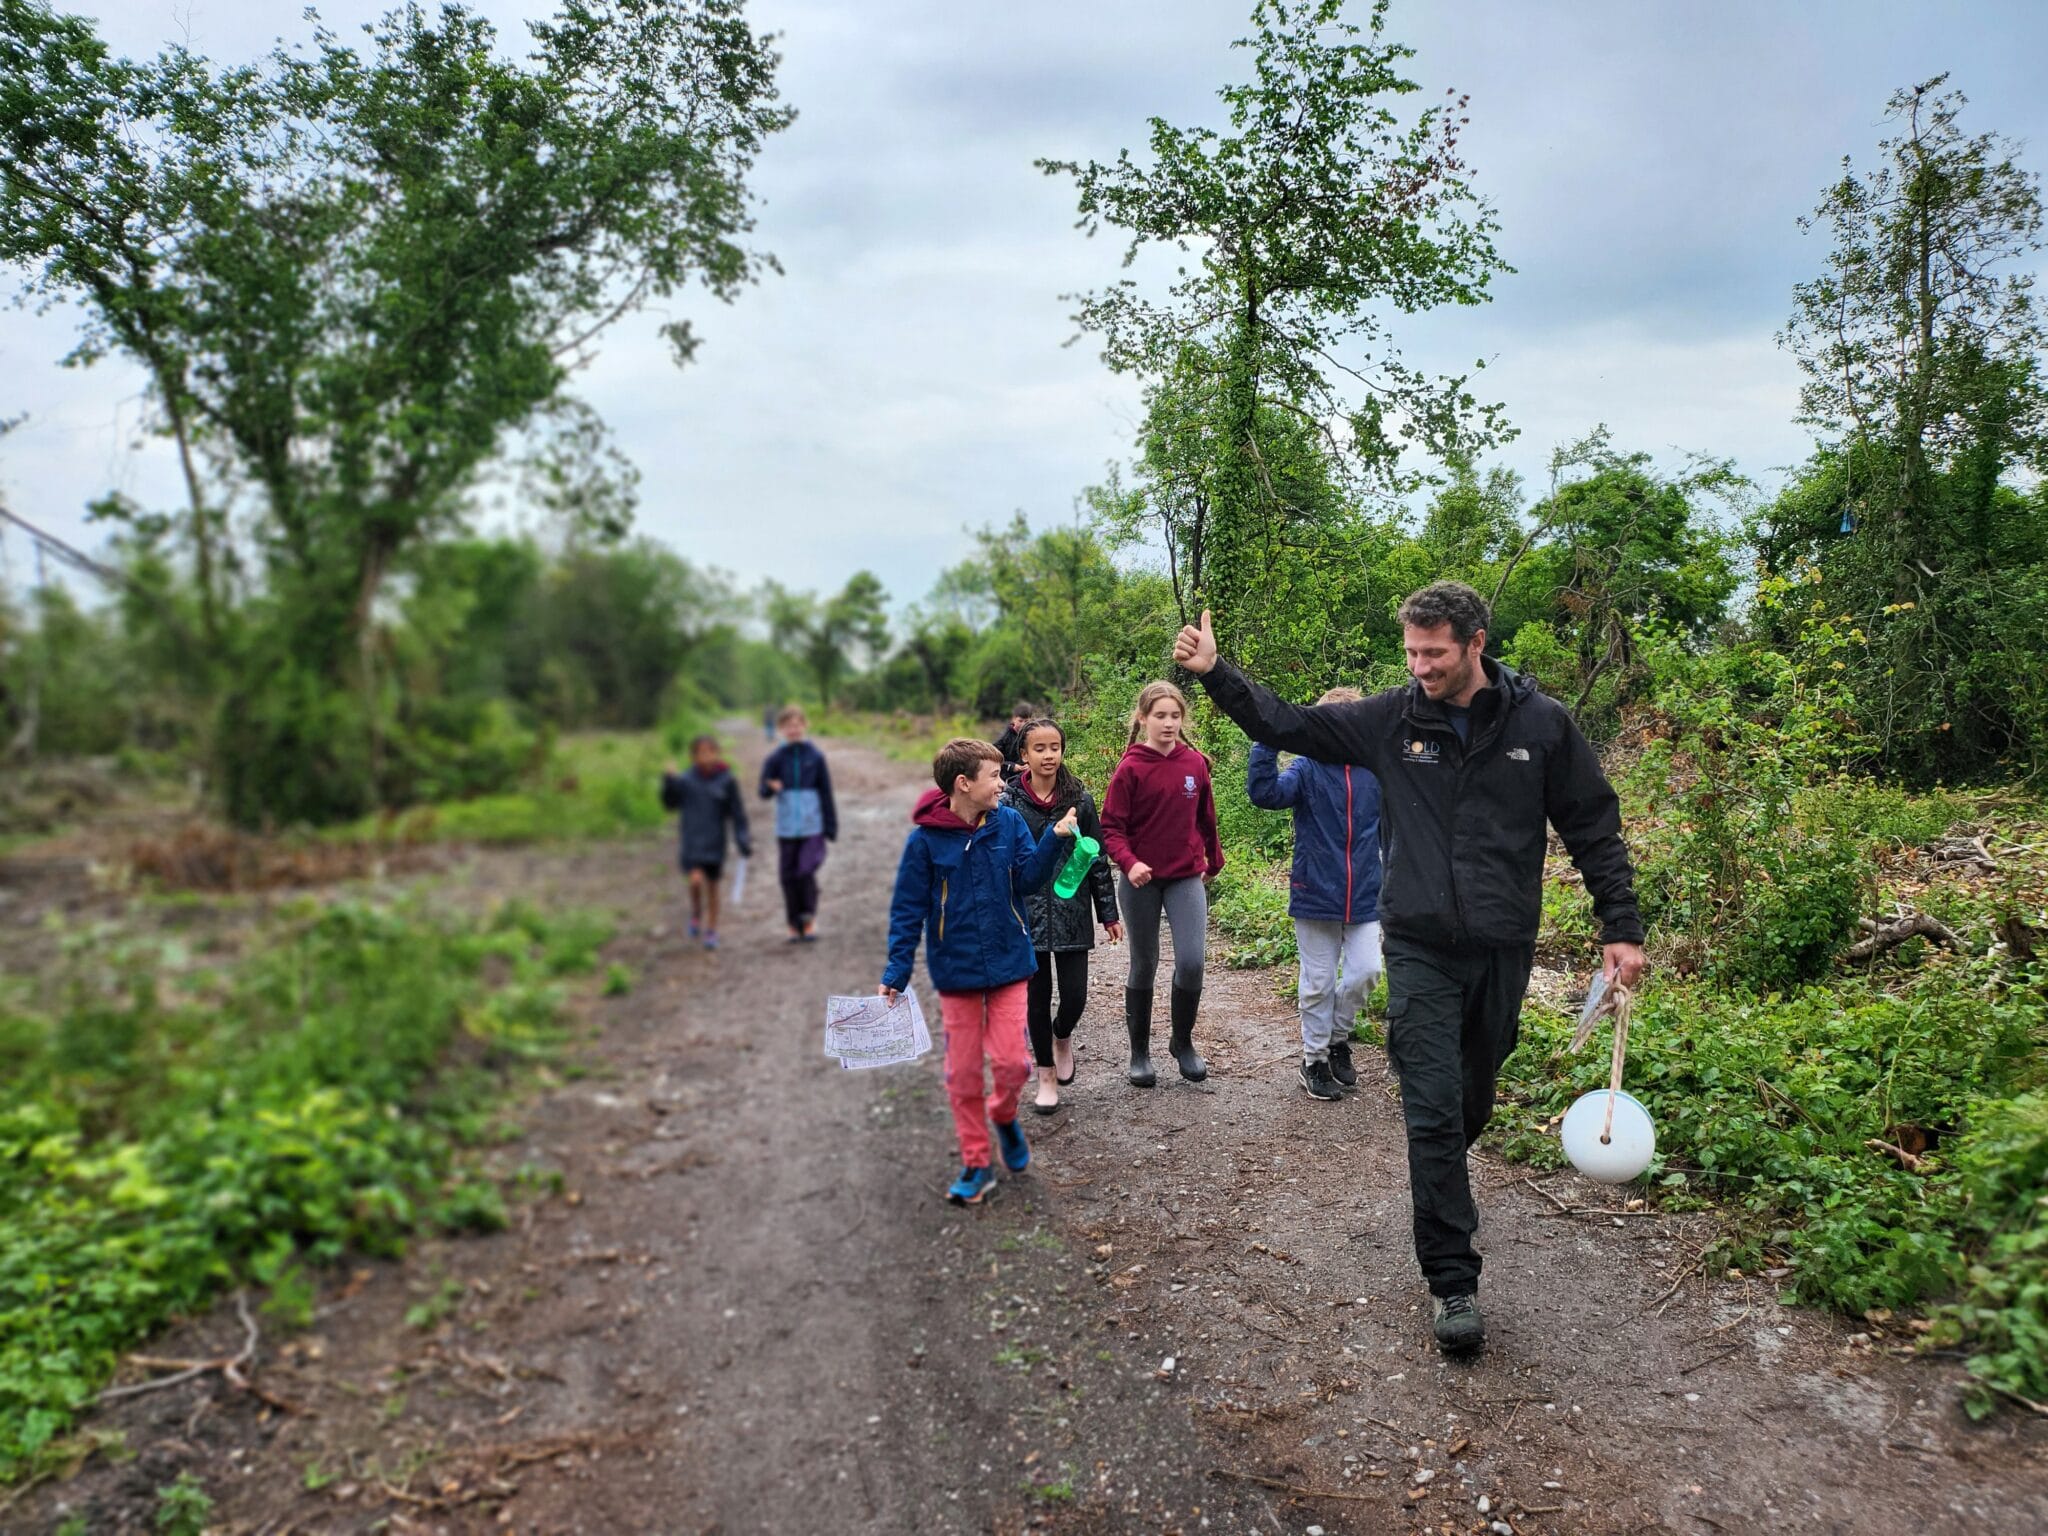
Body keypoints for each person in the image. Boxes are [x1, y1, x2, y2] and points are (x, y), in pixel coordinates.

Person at [1175, 581, 1646, 1356]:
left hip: (1502, 946)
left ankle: (1442, 1178)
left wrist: (1619, 927)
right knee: (1430, 1109)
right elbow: (1288, 722)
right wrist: (1217, 673)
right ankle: (1452, 1281)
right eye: (1412, 652)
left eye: (1435, 652)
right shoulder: (1392, 721)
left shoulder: (1542, 726)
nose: (1421, 666)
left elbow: (1594, 826)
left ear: (1476, 644)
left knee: (1472, 1098)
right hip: (1419, 944)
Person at [881, 738, 1078, 1205]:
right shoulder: (925, 841)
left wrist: (1054, 839)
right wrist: (896, 968)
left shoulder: (1008, 822)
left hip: (1010, 961)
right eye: (993, 776)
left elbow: (1028, 879)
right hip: (957, 970)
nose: (1002, 783)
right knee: (963, 1073)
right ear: (963, 783)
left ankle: (1004, 1114)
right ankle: (975, 1160)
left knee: (1013, 1064)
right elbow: (908, 910)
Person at [1246, 687, 1384, 1102]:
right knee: (1317, 983)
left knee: (1366, 972)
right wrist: (1269, 736)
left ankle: (1337, 1037)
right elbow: (1265, 794)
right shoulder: (1306, 768)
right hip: (1315, 893)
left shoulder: (1374, 769)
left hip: (1365, 895)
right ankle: (1314, 1060)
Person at [1099, 680, 1223, 1088]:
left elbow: (1207, 818)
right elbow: (1111, 828)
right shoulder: (1130, 768)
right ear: (1143, 719)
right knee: (1145, 962)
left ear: (1182, 719)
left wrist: (1214, 858)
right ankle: (1139, 1053)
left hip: (1185, 875)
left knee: (1191, 961)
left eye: (1174, 716)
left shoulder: (1195, 763)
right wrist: (1130, 863)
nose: (1168, 723)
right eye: (1160, 716)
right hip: (1141, 881)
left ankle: (1182, 1043)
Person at [1000, 717, 1123, 1113]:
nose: (1048, 755)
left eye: (1055, 747)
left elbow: (1097, 859)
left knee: (1074, 997)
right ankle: (1046, 1074)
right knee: (1035, 999)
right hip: (1028, 913)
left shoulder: (1079, 799)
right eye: (1039, 748)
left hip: (1071, 908)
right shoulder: (1009, 803)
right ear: (1023, 755)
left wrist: (1108, 912)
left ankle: (1062, 1034)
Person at [660, 735, 753, 951]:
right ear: (693, 757)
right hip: (692, 841)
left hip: (715, 842)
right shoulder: (685, 780)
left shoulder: (727, 781)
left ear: (717, 753)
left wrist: (742, 838)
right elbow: (670, 804)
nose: (706, 757)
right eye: (701, 753)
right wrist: (668, 782)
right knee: (694, 880)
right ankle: (695, 913)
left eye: (710, 752)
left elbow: (737, 813)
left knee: (712, 886)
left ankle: (711, 929)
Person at [759, 706, 837, 942]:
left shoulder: (815, 757)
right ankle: (793, 923)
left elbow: (825, 792)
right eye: (788, 726)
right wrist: (770, 787)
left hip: (812, 825)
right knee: (787, 875)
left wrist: (830, 826)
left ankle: (809, 918)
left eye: (797, 725)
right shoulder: (775, 759)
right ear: (781, 729)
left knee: (805, 870)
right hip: (786, 827)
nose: (793, 730)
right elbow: (762, 790)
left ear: (804, 726)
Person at [992, 700, 1036, 776]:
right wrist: (1011, 766)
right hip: (1007, 775)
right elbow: (993, 757)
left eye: (1026, 721)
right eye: (1020, 721)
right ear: (1014, 719)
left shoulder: (1033, 735)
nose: (1023, 724)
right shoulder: (1004, 737)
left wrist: (1030, 764)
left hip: (1026, 775)